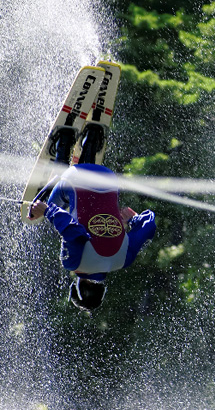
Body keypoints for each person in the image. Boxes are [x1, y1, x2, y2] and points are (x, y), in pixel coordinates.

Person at [28, 122, 156, 312]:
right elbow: (73, 231)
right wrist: (46, 211)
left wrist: (133, 220)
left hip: (108, 178)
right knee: (49, 209)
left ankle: (93, 137)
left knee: (84, 202)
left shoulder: (124, 260)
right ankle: (63, 141)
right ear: (78, 285)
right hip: (74, 179)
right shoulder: (72, 264)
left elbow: (150, 225)